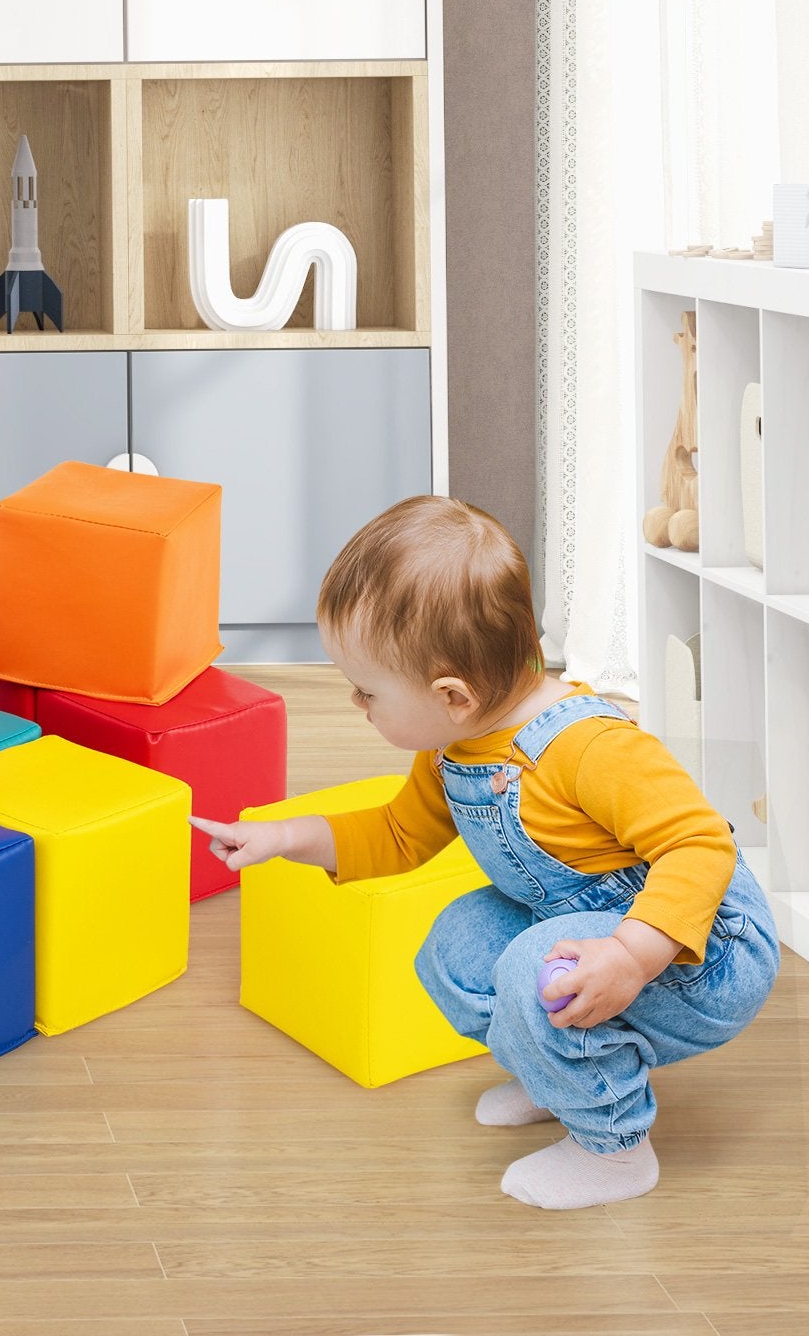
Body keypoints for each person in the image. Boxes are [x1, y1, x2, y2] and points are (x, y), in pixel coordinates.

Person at [192, 495, 778, 1209]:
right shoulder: (455, 747)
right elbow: (398, 836)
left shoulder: (591, 746)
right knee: (455, 946)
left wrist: (631, 955)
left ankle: (615, 1149)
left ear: (453, 696)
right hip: (593, 930)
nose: (356, 705)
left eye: (366, 691)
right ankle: (561, 1075)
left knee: (536, 970)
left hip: (703, 951)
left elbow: (701, 844)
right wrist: (283, 837)